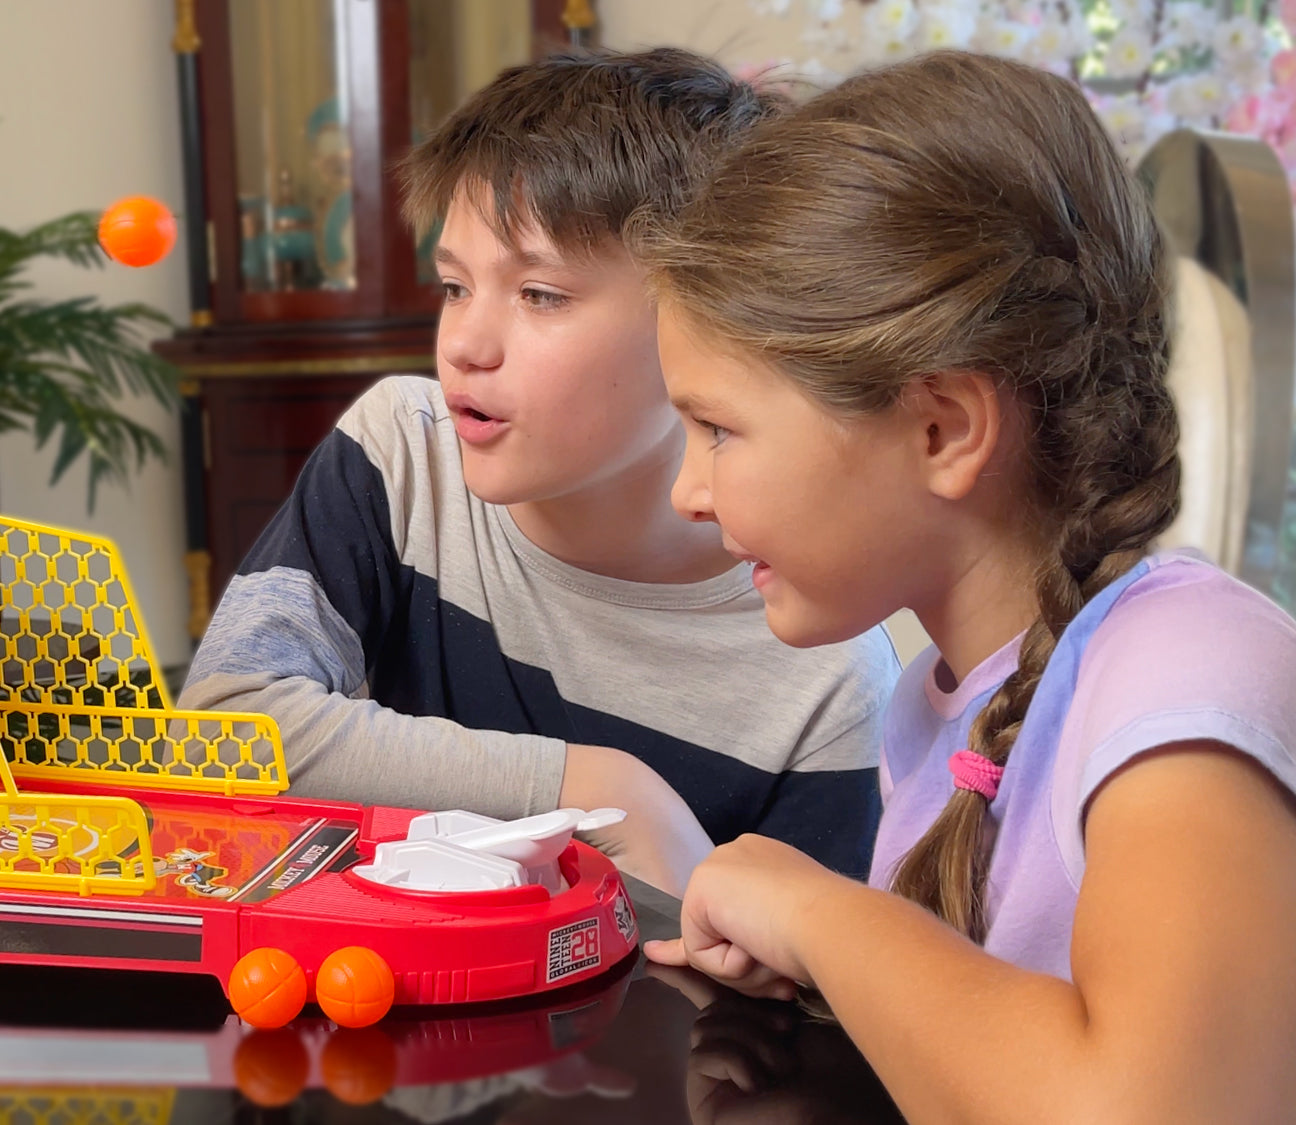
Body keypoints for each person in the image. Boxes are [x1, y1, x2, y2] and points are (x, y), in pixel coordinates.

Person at [638, 50, 1296, 1120]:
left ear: (942, 428)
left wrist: (823, 917)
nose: (686, 490)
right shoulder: (935, 704)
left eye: (717, 428)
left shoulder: (1187, 675)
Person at [179, 49, 901, 897]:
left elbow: (793, 1007)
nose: (464, 346)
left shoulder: (825, 674)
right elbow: (220, 732)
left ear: (708, 318)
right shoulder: (402, 455)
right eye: (454, 286)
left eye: (540, 295)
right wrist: (587, 790)